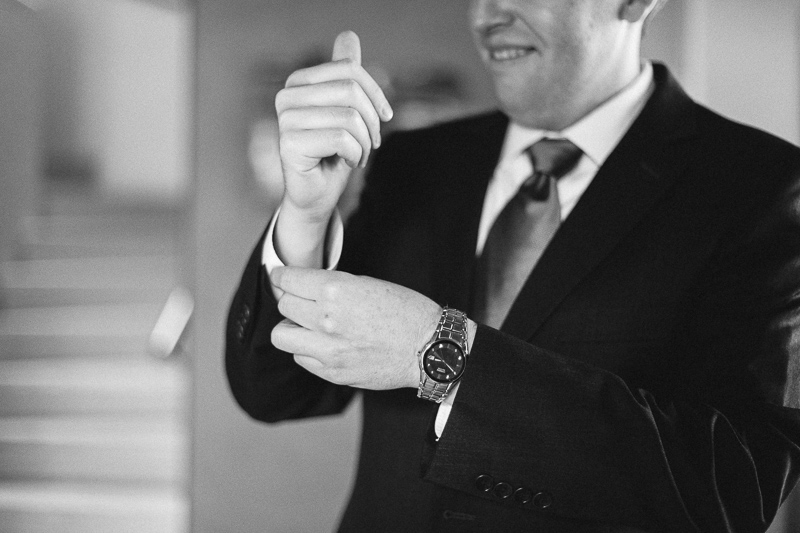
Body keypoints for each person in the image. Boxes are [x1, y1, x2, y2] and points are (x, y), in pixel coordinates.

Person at [225, 0, 800, 531]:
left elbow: (732, 487)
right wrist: (305, 213)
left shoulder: (760, 188)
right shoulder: (417, 162)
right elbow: (275, 394)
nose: (487, 15)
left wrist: (442, 355)